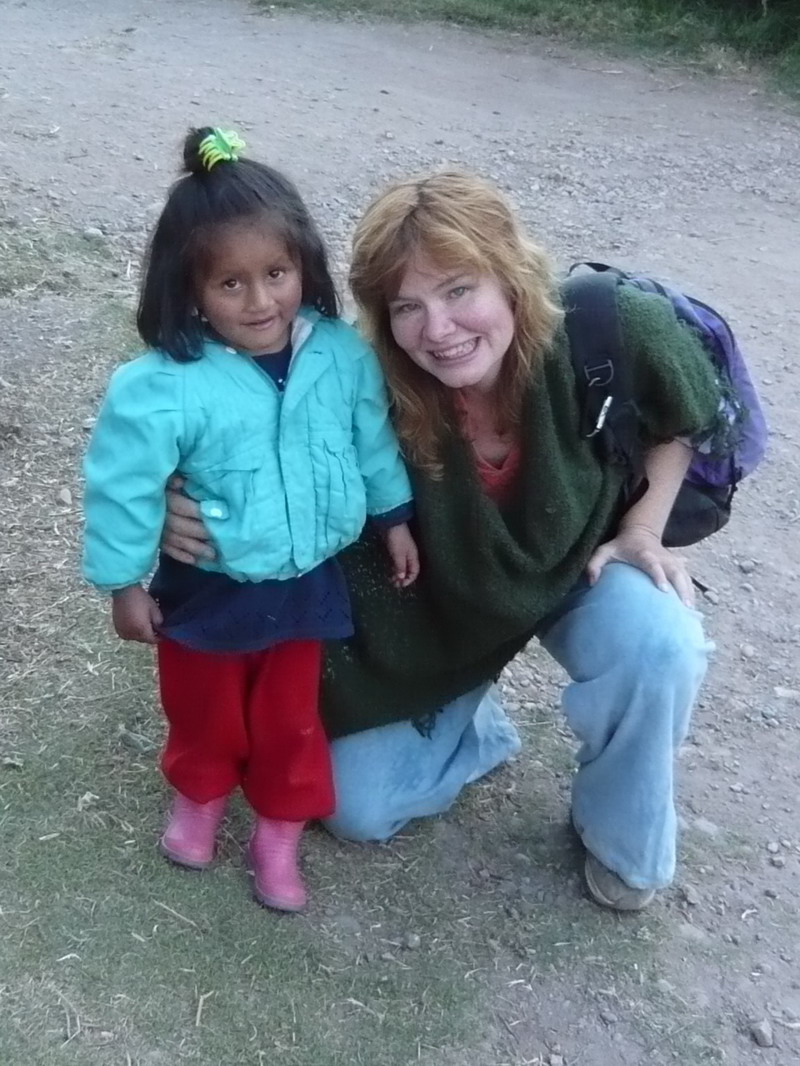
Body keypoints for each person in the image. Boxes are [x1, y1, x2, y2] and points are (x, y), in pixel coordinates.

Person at [161, 170, 725, 912]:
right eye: (407, 306)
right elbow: (256, 431)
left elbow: (688, 410)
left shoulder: (603, 324)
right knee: (356, 808)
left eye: (459, 290)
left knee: (663, 641)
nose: (438, 329)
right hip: (454, 606)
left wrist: (644, 530)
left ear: (510, 274)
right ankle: (478, 728)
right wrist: (171, 498)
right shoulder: (370, 384)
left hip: (580, 564)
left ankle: (624, 842)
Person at [82, 127, 417, 912]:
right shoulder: (160, 385)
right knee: (202, 712)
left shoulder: (340, 356)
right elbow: (123, 485)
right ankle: (198, 798)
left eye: (276, 272)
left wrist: (395, 515)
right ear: (187, 289)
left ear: (303, 264)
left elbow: (371, 441)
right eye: (230, 284)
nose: (261, 300)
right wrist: (122, 581)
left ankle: (277, 832)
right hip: (206, 589)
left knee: (290, 722)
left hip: (305, 590)